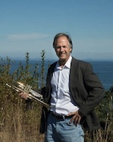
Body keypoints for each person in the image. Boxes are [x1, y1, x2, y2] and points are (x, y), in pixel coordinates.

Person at [20, 33, 105, 142]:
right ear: (55, 49)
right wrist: (29, 92)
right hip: (51, 123)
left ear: (71, 48)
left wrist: (82, 111)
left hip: (71, 125)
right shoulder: (52, 68)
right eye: (58, 47)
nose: (61, 50)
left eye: (64, 46)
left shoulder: (82, 67)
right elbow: (48, 91)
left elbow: (99, 90)